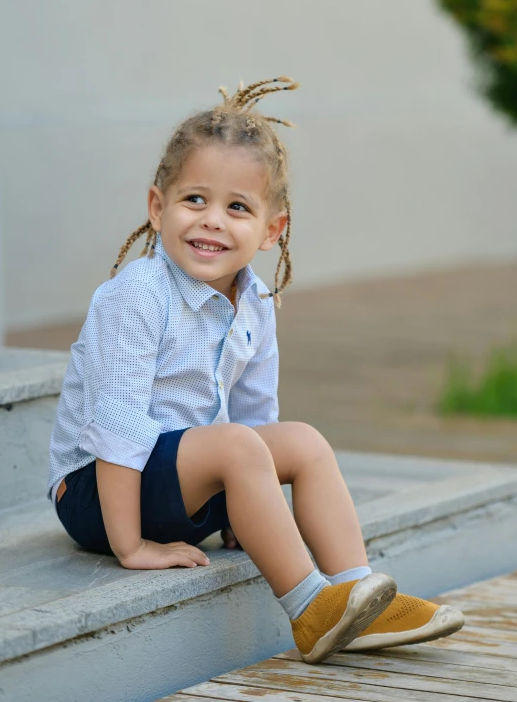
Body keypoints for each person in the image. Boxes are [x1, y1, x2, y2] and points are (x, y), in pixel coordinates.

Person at [48, 76, 464, 664]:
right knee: (238, 446)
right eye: (195, 199)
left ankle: (355, 592)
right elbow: (116, 422)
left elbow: (253, 413)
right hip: (102, 492)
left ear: (272, 231)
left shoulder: (255, 302)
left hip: (188, 482)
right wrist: (130, 546)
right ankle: (310, 609)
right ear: (156, 206)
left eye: (237, 207)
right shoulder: (135, 295)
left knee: (302, 440)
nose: (212, 220)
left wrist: (251, 510)